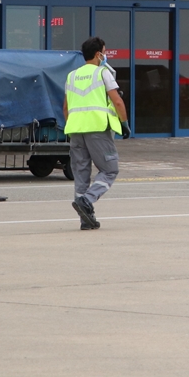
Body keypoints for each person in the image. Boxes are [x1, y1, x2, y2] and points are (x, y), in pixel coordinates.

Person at [62, 36, 129, 231]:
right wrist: (124, 123)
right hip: (98, 129)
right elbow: (117, 101)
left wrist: (74, 124)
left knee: (81, 174)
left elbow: (65, 107)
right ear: (99, 54)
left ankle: (85, 220)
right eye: (105, 52)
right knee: (109, 170)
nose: (105, 55)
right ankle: (88, 200)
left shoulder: (71, 75)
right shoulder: (103, 73)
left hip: (76, 130)